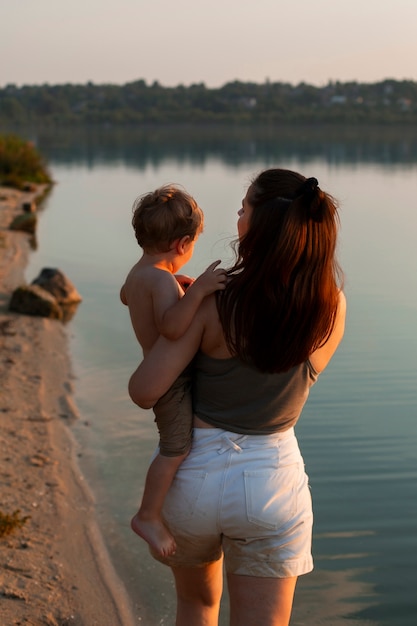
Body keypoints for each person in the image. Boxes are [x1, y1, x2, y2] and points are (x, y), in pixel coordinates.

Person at [128, 169, 346, 626]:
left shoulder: (214, 303)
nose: (238, 215)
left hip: (194, 479)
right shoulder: (331, 306)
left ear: (260, 225)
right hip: (272, 483)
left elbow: (146, 390)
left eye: (244, 208)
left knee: (196, 608)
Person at [120, 184, 226, 558]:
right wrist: (196, 292)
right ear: (182, 244)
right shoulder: (163, 279)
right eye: (193, 245)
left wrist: (176, 289)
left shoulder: (139, 274)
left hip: (156, 371)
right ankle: (147, 515)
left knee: (172, 445)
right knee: (175, 449)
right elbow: (171, 326)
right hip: (171, 384)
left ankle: (154, 510)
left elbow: (127, 296)